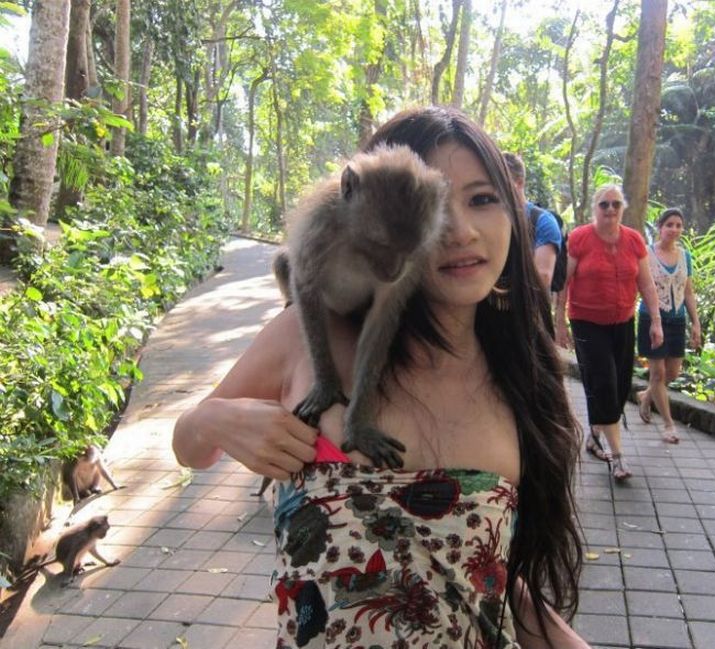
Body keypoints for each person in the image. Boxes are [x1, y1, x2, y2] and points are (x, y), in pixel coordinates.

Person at [173, 106, 590, 649]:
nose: (461, 231)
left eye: (483, 199)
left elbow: (486, 585)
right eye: (442, 205)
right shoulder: (305, 335)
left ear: (514, 210)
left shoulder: (521, 374)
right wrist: (214, 419)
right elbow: (188, 447)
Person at [555, 184, 663, 481]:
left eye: (616, 204)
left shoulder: (634, 240)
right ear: (595, 208)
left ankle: (593, 435)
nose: (611, 209)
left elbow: (646, 283)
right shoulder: (580, 238)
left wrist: (656, 321)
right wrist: (559, 322)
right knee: (604, 381)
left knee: (619, 385)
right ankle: (618, 458)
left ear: (623, 208)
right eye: (604, 204)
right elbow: (562, 283)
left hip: (623, 321)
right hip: (586, 322)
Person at [636, 207, 701, 443]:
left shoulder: (685, 256)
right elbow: (640, 286)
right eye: (669, 225)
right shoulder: (646, 254)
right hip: (651, 319)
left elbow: (688, 292)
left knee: (672, 372)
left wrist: (696, 323)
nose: (674, 229)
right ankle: (668, 425)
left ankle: (646, 396)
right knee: (658, 373)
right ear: (660, 227)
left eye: (678, 225)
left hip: (677, 320)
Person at [504, 153, 562, 291]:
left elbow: (543, 277)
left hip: (526, 302)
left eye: (502, 182)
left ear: (519, 183)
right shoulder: (490, 218)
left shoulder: (543, 221)